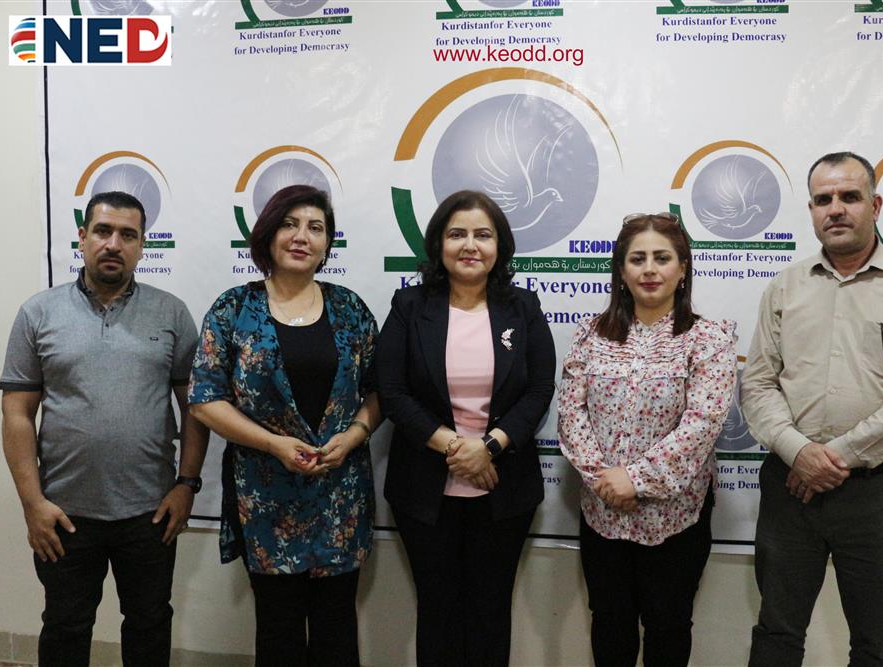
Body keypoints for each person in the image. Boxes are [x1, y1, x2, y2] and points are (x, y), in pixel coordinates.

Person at [741, 152, 883, 667]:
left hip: (878, 495)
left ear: (875, 205)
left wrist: (831, 457)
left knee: (878, 645)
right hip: (791, 490)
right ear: (812, 210)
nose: (835, 209)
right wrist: (799, 452)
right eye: (823, 199)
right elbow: (758, 384)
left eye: (849, 196)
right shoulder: (785, 287)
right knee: (776, 635)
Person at [0, 191, 210, 667]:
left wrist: (187, 485)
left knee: (149, 624)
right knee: (66, 628)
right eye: (103, 231)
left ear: (142, 245)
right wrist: (33, 504)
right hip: (64, 514)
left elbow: (195, 408)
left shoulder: (172, 313)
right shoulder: (38, 312)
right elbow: (17, 414)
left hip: (151, 512)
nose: (114, 244)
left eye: (128, 235)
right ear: (82, 237)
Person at [188, 185, 380, 667]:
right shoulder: (233, 309)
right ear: (268, 235)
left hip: (340, 496)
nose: (301, 237)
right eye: (289, 224)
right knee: (278, 633)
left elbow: (380, 392)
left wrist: (355, 435)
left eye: (316, 227)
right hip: (266, 498)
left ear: (327, 243)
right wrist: (273, 443)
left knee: (337, 631)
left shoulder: (349, 309)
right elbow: (205, 399)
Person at [376, 190, 556, 667]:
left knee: (490, 611)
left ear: (500, 246)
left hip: (504, 487)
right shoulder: (410, 305)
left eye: (483, 235)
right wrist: (458, 447)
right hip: (424, 489)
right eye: (457, 234)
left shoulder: (522, 307)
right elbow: (391, 390)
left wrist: (489, 447)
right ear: (439, 244)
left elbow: (540, 390)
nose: (470, 245)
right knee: (437, 610)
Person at [557, 213, 736, 667]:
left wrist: (636, 479)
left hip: (676, 519)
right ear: (621, 271)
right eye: (637, 259)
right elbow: (571, 412)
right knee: (609, 624)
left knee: (668, 627)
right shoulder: (590, 335)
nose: (650, 269)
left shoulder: (708, 339)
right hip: (602, 513)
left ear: (682, 269)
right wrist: (604, 480)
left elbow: (703, 422)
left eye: (662, 258)